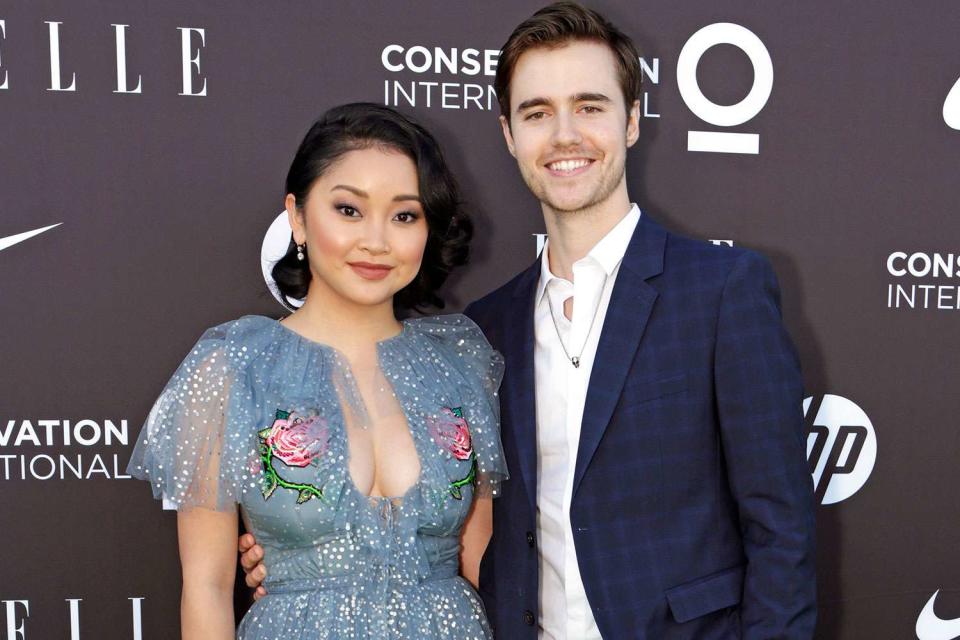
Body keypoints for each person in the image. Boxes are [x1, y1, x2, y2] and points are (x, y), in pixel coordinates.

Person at [243, 3, 817, 639]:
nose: (564, 135)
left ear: (631, 121)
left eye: (590, 106)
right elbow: (447, 514)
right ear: (510, 134)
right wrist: (310, 557)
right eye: (537, 112)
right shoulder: (485, 331)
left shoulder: (721, 291)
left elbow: (780, 528)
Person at [128, 102, 508, 640]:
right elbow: (207, 589)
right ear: (298, 216)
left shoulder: (460, 367)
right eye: (349, 210)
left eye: (405, 215)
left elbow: (480, 565)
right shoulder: (232, 367)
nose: (376, 240)